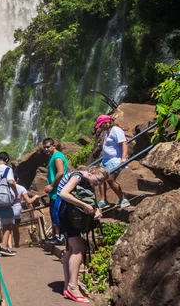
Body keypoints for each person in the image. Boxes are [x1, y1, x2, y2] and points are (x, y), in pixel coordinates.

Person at [56, 166, 109, 303]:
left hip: (70, 214)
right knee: (79, 248)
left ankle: (67, 286)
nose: (99, 184)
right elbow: (64, 193)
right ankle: (73, 287)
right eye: (99, 180)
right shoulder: (78, 177)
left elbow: (90, 200)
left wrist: (96, 210)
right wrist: (84, 205)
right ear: (91, 172)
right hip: (65, 214)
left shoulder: (88, 182)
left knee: (71, 249)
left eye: (102, 182)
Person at [94, 115, 131, 208]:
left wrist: (123, 159)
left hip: (115, 160)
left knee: (110, 179)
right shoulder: (107, 132)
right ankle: (103, 200)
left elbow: (124, 144)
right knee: (100, 178)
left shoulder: (116, 130)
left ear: (107, 122)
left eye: (101, 125)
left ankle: (123, 199)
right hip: (106, 160)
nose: (100, 127)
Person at [43, 138, 69, 245]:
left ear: (54, 146)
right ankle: (57, 237)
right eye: (44, 147)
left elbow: (61, 172)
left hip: (58, 190)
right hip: (55, 191)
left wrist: (51, 185)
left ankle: (60, 237)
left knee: (57, 214)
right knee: (54, 214)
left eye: (48, 147)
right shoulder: (53, 157)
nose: (46, 149)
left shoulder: (57, 157)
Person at [9, 178, 40, 249]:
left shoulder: (7, 187)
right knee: (16, 229)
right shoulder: (21, 188)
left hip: (8, 209)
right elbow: (29, 201)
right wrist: (35, 197)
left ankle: (9, 247)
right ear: (17, 179)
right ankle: (16, 245)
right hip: (17, 210)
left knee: (8, 229)